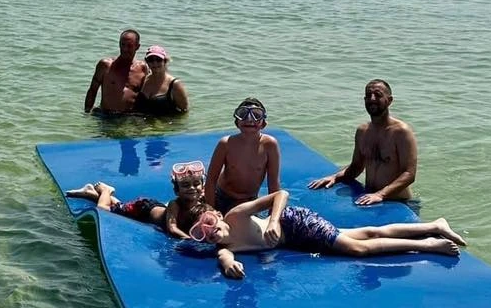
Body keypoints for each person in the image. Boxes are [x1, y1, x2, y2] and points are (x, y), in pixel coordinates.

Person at [188, 189, 466, 280]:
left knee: (358, 249)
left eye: (211, 223)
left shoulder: (236, 214)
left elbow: (281, 194)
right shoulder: (224, 247)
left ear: (220, 216)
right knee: (368, 233)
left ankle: (429, 245)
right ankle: (433, 225)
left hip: (295, 222)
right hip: (296, 240)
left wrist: (272, 221)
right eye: (205, 234)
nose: (212, 232)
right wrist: (230, 267)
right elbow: (225, 259)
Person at [307, 79, 418, 205]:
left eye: (378, 95)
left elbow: (409, 174)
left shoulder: (401, 132)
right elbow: (356, 166)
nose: (372, 98)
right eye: (368, 95)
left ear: (390, 100)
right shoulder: (362, 131)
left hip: (400, 202)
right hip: (369, 197)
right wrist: (335, 177)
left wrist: (381, 194)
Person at [66, 159, 210, 239]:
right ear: (176, 191)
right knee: (104, 209)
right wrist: (188, 238)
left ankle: (90, 193)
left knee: (120, 207)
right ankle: (105, 190)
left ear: (202, 187)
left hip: (154, 207)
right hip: (142, 210)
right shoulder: (175, 204)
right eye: (185, 185)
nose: (192, 188)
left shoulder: (201, 202)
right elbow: (172, 228)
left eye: (196, 184)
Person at [204, 98, 281, 214]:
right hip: (222, 196)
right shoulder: (226, 144)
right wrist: (211, 211)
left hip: (250, 201)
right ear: (237, 122)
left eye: (256, 115)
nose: (249, 119)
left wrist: (272, 216)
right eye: (243, 114)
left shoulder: (270, 145)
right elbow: (210, 181)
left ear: (263, 123)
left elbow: (273, 183)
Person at [83, 29, 148, 115]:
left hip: (129, 116)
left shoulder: (142, 68)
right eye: (122, 44)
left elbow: (147, 95)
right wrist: (86, 113)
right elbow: (92, 90)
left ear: (137, 47)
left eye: (129, 46)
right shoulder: (105, 65)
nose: (125, 49)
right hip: (106, 115)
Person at [133, 45, 190, 115]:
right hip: (142, 123)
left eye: (158, 59)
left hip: (164, 124)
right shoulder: (144, 80)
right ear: (147, 62)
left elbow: (184, 112)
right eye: (151, 60)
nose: (155, 63)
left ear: (165, 61)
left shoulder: (175, 85)